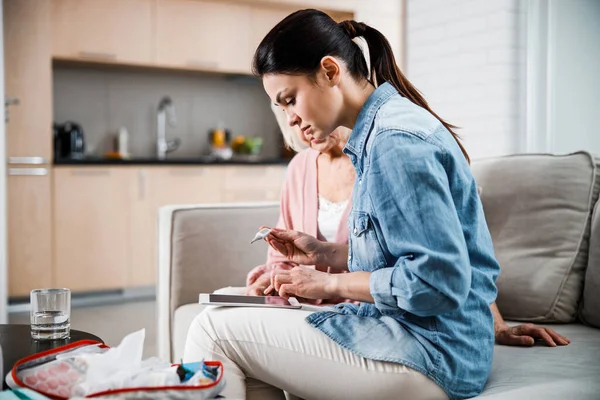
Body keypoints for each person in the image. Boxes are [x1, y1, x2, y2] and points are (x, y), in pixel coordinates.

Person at [184, 10, 566, 400]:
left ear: (330, 71)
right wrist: (328, 254)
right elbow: (404, 250)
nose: (291, 118)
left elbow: (439, 281)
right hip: (422, 339)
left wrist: (328, 282)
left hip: (432, 353)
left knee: (212, 329)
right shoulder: (382, 129)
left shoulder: (393, 142)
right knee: (252, 360)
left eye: (289, 99)